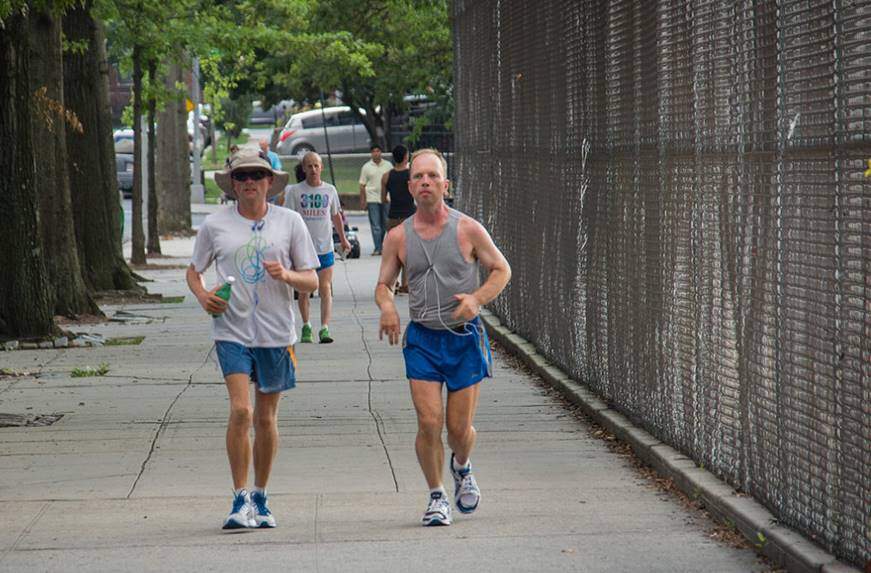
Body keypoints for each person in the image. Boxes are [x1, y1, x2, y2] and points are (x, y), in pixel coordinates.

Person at [375, 149, 511, 526]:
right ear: (409, 185)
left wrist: (477, 298)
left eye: (432, 176)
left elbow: (501, 269)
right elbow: (383, 284)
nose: (424, 183)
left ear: (445, 185)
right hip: (423, 338)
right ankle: (436, 495)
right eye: (418, 177)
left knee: (458, 429)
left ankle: (462, 465)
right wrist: (387, 307)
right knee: (428, 422)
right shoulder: (397, 237)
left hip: (464, 338)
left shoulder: (467, 228)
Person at [187, 147, 320, 530]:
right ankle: (239, 497)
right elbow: (194, 271)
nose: (248, 182)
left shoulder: (290, 222)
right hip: (231, 330)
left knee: (265, 417)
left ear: (269, 183)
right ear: (232, 184)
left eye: (255, 176)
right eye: (241, 176)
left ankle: (261, 496)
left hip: (277, 333)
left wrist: (287, 276)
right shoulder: (216, 225)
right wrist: (202, 296)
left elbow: (311, 279)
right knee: (241, 411)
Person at [284, 151, 351, 344]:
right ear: (303, 169)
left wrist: (344, 239)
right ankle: (306, 326)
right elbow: (288, 219)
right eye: (309, 166)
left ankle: (324, 328)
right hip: (303, 249)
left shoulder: (330, 190)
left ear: (321, 168)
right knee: (304, 290)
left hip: (325, 247)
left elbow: (336, 216)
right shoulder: (295, 191)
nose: (313, 169)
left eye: (316, 165)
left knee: (325, 288)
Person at [381, 144, 415, 293]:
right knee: (408, 251)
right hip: (409, 215)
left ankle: (391, 282)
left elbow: (383, 199)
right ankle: (406, 283)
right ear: (406, 157)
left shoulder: (386, 176)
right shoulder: (412, 175)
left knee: (393, 252)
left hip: (393, 216)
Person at [358, 143, 393, 255]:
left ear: (381, 153)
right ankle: (377, 248)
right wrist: (363, 201)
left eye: (378, 151)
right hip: (372, 198)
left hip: (386, 199)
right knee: (375, 225)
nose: (376, 153)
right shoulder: (366, 167)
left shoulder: (388, 165)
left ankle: (383, 246)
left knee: (385, 224)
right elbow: (362, 185)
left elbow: (392, 182)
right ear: (371, 153)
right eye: (374, 151)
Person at [259, 139, 284, 205]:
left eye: (263, 147)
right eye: (261, 147)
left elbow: (278, 169)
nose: (262, 148)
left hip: (271, 181)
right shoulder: (258, 156)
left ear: (267, 146)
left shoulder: (274, 156)